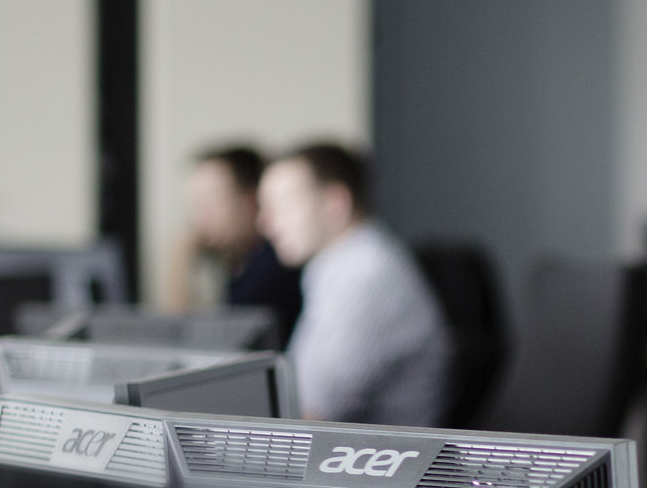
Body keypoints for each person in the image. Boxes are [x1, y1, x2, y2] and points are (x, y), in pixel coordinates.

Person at [256, 141, 453, 425]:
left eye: (282, 206)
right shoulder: (338, 265)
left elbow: (307, 420)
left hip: (378, 462)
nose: (266, 224)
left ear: (336, 204)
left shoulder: (367, 279)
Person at [159, 143, 303, 341]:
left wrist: (178, 261)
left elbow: (190, 343)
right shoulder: (242, 264)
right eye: (195, 206)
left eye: (210, 203)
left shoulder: (271, 272)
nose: (197, 220)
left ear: (252, 201)